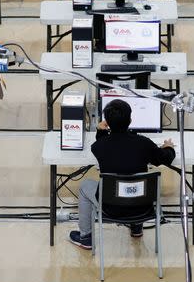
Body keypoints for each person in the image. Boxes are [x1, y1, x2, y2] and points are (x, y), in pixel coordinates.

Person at [69, 99, 175, 250]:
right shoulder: (143, 143)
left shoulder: (99, 146)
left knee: (85, 185)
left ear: (107, 121)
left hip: (111, 207)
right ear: (130, 120)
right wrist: (169, 147)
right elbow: (166, 158)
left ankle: (85, 237)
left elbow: (103, 144)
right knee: (135, 180)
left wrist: (100, 131)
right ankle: (136, 227)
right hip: (142, 207)